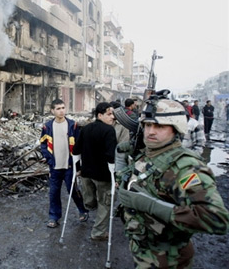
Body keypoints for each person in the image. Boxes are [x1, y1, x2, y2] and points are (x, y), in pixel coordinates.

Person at [117, 98, 229, 268]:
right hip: (143, 250)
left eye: (159, 126)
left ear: (176, 128)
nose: (150, 132)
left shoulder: (186, 167)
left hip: (169, 259)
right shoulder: (149, 154)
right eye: (147, 125)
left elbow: (217, 219)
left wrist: (151, 205)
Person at [40, 98, 89, 228]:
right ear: (52, 111)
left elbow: (79, 145)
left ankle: (83, 210)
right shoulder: (47, 126)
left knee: (73, 190)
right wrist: (49, 159)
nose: (61, 111)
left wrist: (78, 166)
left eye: (63, 108)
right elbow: (43, 144)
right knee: (54, 193)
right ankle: (54, 217)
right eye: (58, 109)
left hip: (69, 166)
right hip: (55, 166)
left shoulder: (73, 125)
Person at [73, 102, 117, 240]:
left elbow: (75, 150)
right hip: (103, 175)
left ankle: (90, 205)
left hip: (86, 173)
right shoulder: (109, 130)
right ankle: (98, 233)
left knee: (93, 201)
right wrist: (115, 176)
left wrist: (78, 169)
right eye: (109, 114)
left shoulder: (85, 129)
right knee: (105, 203)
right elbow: (111, 156)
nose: (113, 117)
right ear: (99, 115)